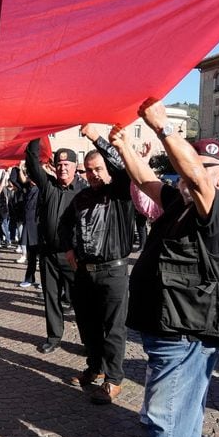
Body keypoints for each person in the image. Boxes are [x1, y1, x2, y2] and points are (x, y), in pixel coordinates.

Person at [108, 108, 219, 437]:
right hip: (175, 324)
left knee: (164, 411)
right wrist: (121, 145)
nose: (190, 174)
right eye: (190, 165)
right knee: (187, 406)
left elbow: (196, 179)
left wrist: (163, 127)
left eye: (204, 168)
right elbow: (145, 179)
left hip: (184, 328)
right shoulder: (181, 202)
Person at [62, 124, 135, 404]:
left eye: (98, 168)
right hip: (85, 273)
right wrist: (68, 249)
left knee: (113, 327)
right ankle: (94, 367)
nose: (93, 174)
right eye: (89, 170)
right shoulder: (81, 197)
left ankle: (113, 379)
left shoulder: (119, 193)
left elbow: (122, 168)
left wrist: (97, 138)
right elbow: (64, 224)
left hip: (113, 271)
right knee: (87, 325)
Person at [24, 140, 86, 353]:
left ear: (75, 167)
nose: (62, 168)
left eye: (67, 164)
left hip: (73, 256)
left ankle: (88, 340)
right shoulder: (48, 185)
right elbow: (32, 164)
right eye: (59, 164)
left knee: (81, 300)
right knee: (51, 296)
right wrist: (36, 136)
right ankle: (54, 336)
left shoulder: (84, 191)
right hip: (49, 253)